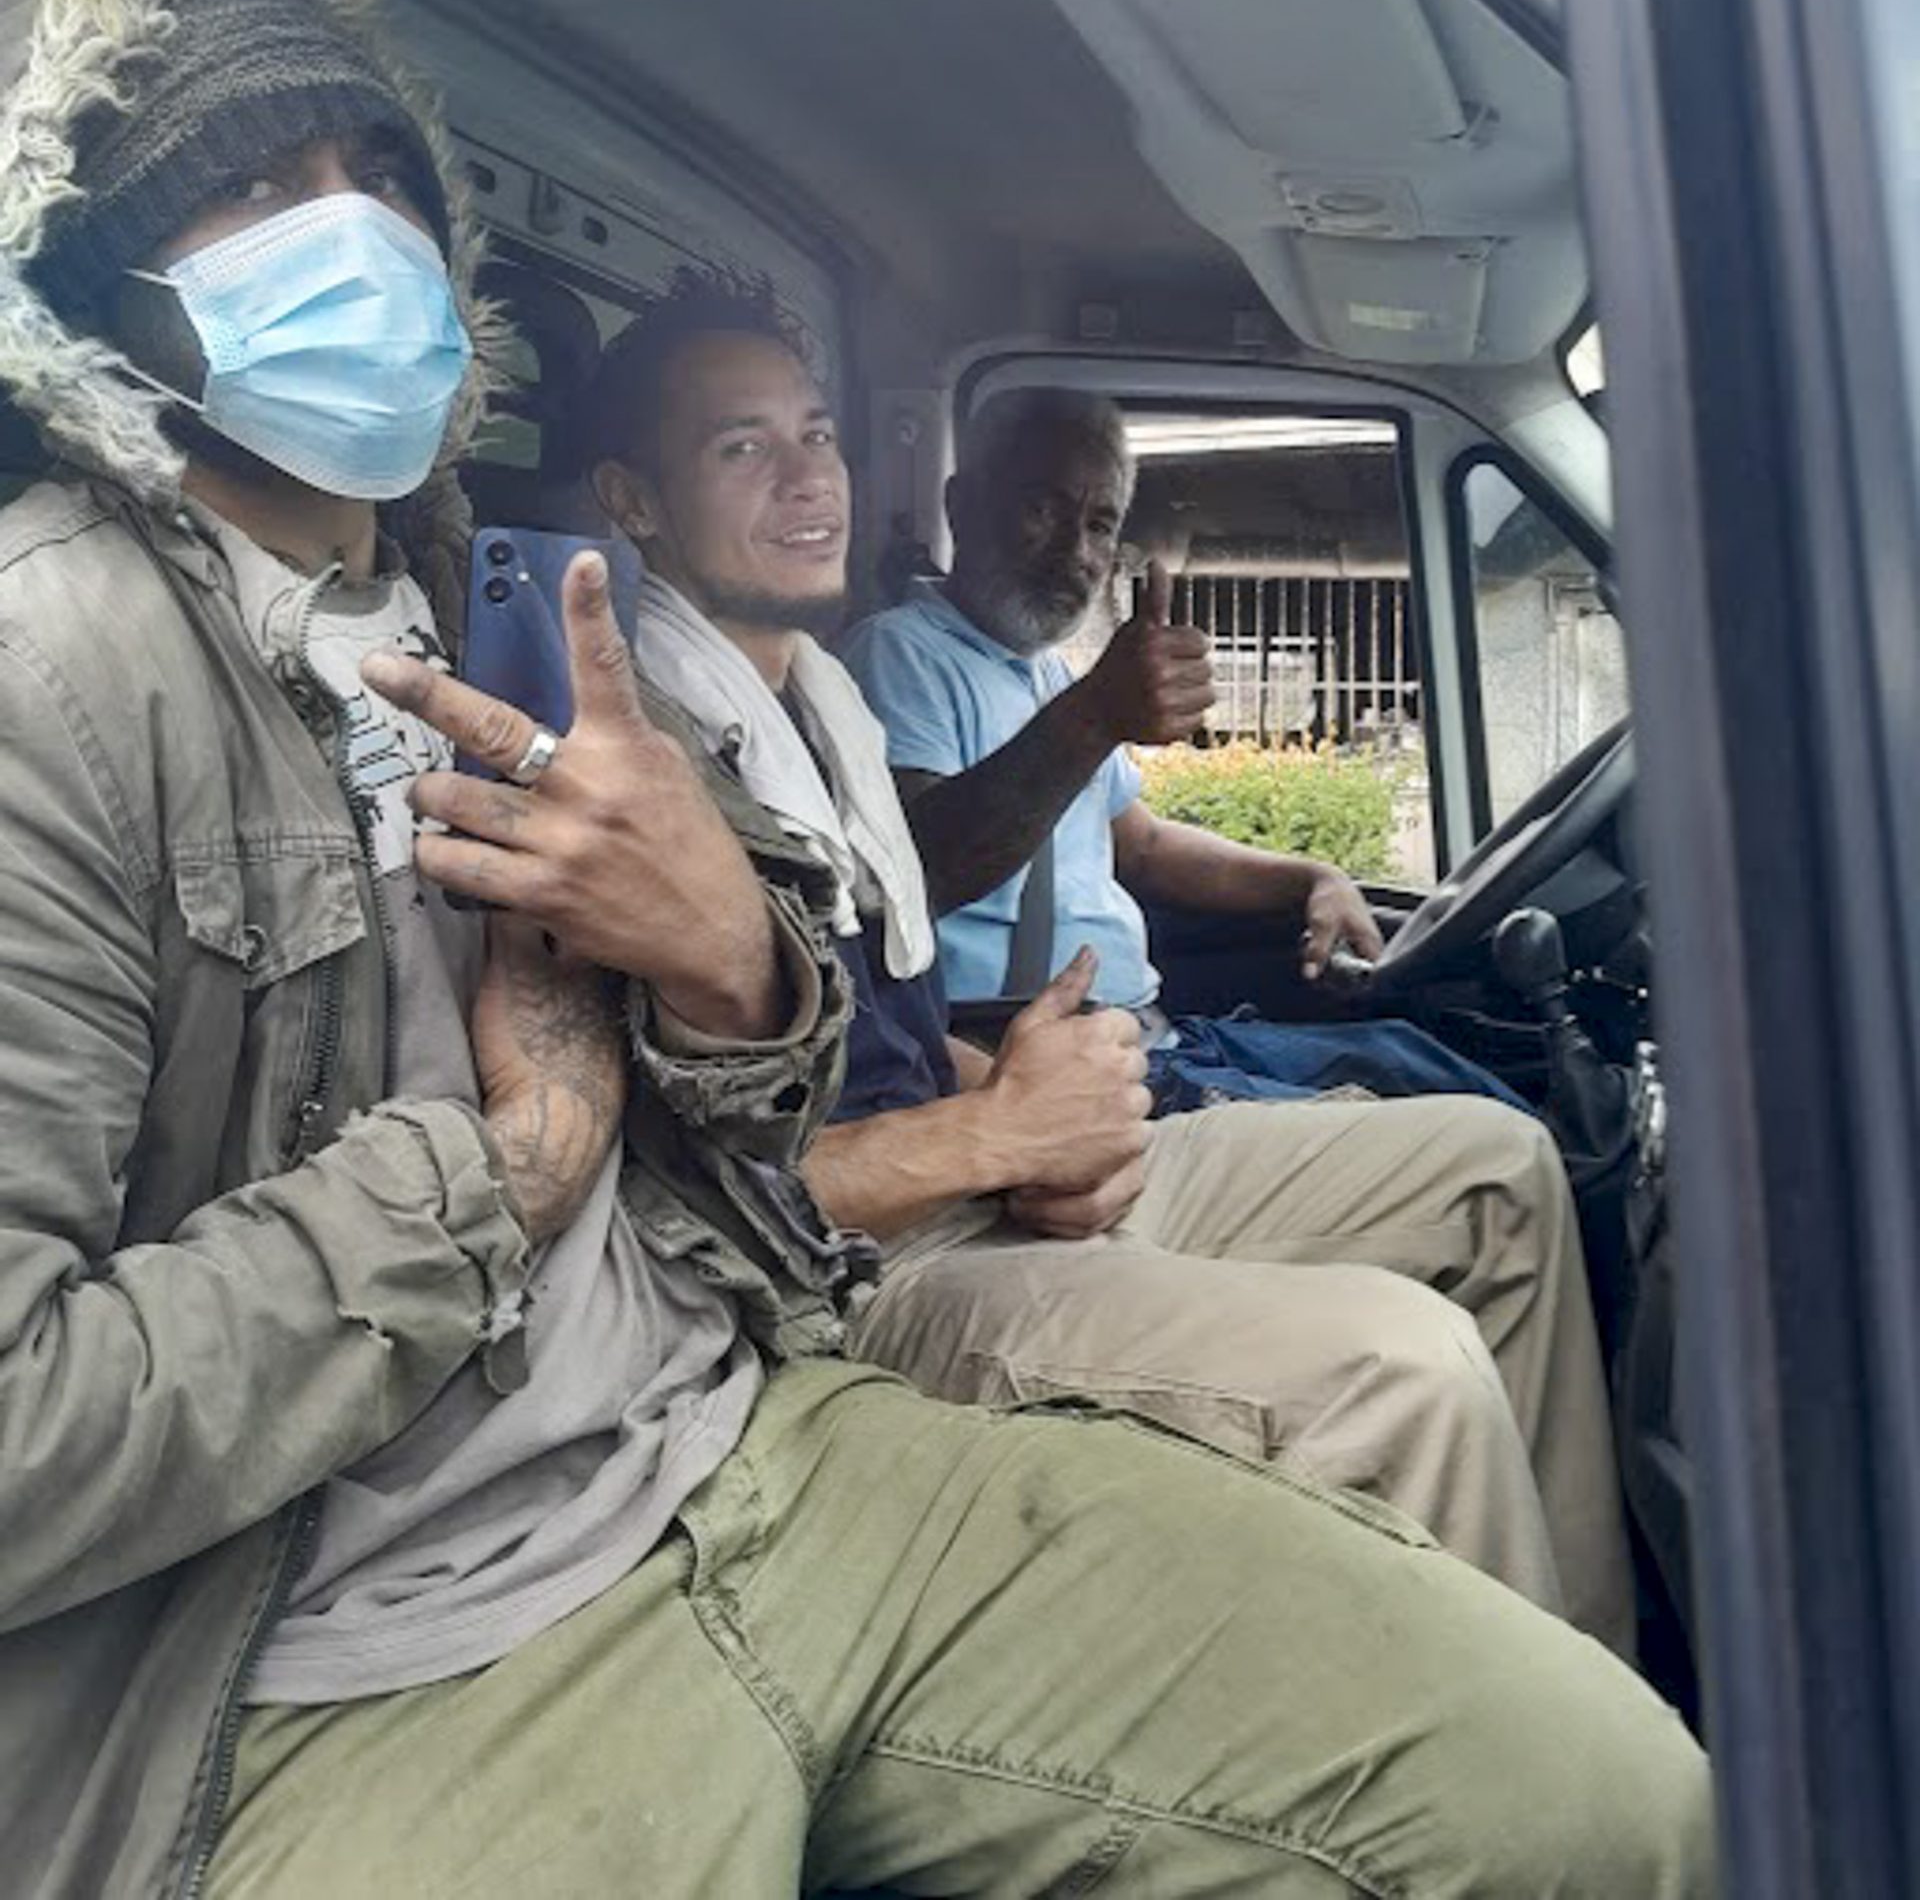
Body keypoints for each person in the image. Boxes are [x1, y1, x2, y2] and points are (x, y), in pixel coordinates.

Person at [0, 0, 1713, 1900]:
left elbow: (719, 1173)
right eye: (249, 187)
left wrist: (729, 967)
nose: (351, 230)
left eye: (377, 171)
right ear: (109, 291)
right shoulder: (59, 671)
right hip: (373, 1640)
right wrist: (510, 1167)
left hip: (741, 1434)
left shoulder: (502, 626)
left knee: (1611, 1806)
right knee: (1395, 1375)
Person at [579, 270, 1638, 1657]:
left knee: (1499, 1170)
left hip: (987, 1156)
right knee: (1409, 1368)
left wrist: (1030, 1113)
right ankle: (1534, 1773)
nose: (806, 475)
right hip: (865, 1276)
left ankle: (1601, 1683)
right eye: (741, 446)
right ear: (635, 501)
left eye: (817, 434)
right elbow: (688, 1196)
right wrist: (997, 1131)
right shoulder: (645, 778)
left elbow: (879, 1032)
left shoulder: (812, 713)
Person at [843, 385, 1517, 1115]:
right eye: (1042, 509)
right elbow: (921, 869)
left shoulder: (1045, 675)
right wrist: (1095, 716)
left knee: (1413, 1059)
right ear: (963, 507)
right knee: (1453, 1127)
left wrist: (1314, 877)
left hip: (1150, 1037)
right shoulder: (899, 656)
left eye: (1100, 525)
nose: (1077, 553)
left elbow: (1144, 847)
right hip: (1032, 1060)